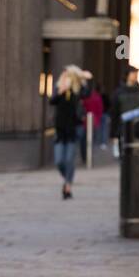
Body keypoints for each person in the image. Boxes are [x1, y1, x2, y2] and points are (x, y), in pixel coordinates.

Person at [48, 65, 89, 199]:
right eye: (64, 75)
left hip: (73, 130)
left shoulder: (77, 92)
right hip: (60, 131)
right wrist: (61, 91)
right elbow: (52, 101)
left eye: (69, 76)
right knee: (59, 161)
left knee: (69, 160)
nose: (66, 78)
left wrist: (83, 78)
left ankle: (67, 186)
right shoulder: (58, 89)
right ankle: (67, 180)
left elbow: (86, 93)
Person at [109, 66, 139, 157]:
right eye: (133, 73)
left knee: (138, 156)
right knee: (124, 156)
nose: (135, 75)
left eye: (136, 73)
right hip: (123, 129)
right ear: (127, 75)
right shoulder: (118, 93)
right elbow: (114, 114)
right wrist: (113, 134)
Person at [82, 80, 106, 150]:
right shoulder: (96, 97)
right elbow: (100, 109)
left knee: (86, 137)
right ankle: (89, 150)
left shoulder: (86, 97)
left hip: (87, 119)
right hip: (93, 119)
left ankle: (87, 152)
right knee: (92, 137)